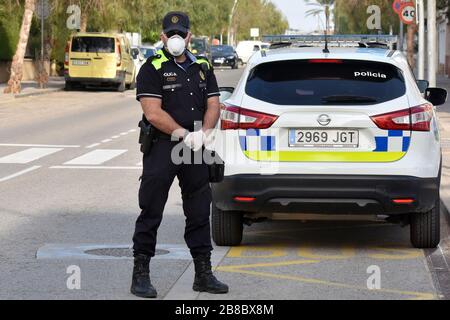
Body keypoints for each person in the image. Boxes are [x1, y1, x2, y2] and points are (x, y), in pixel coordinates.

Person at [130, 11, 229, 299]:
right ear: (162, 36)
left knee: (199, 211)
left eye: (181, 34)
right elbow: (152, 112)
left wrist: (204, 133)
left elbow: (213, 104)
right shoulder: (152, 67)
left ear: (189, 35)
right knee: (151, 210)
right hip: (163, 145)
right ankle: (140, 274)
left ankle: (203, 274)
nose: (176, 39)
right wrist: (184, 134)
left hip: (196, 146)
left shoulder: (202, 66)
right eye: (170, 34)